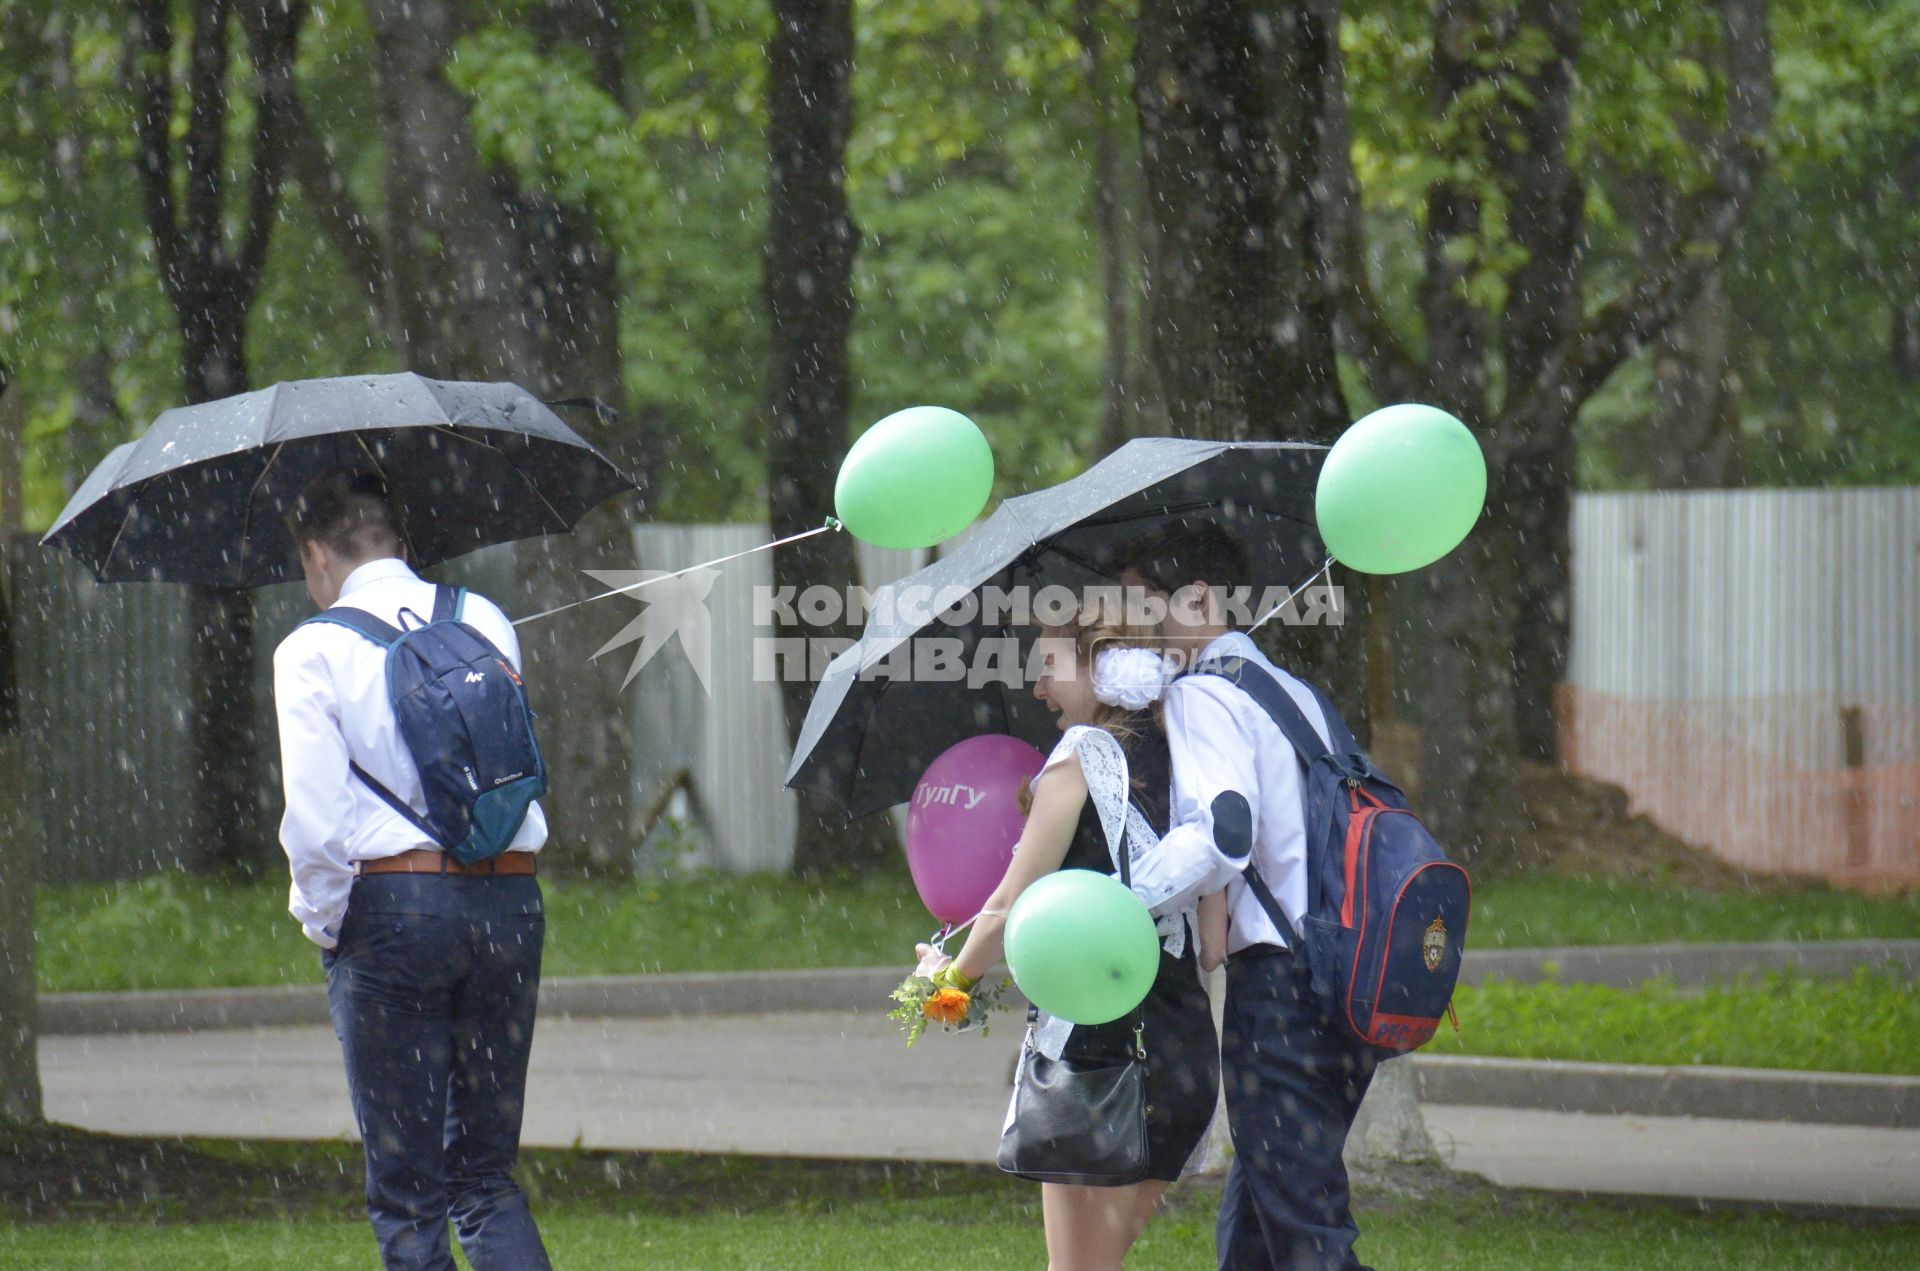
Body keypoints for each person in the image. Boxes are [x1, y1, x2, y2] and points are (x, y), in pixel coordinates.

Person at [273, 469, 553, 1271]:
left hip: (394, 909)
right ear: (398, 543)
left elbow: (317, 827)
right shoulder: (484, 617)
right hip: (510, 896)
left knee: (408, 1190)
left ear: (319, 553)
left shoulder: (311, 649)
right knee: (486, 1175)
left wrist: (328, 925)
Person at [917, 602, 1224, 1271]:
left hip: (1095, 1051)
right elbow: (1213, 943)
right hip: (1181, 1052)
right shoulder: (1195, 766)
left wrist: (947, 985)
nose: (1038, 686)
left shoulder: (1083, 754)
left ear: (1106, 666)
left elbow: (1010, 900)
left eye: (1050, 665)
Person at [1113, 520, 1381, 1271]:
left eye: (1144, 607)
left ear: (1197, 599)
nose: (1136, 630)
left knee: (1304, 1230)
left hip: (1284, 986)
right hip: (1346, 973)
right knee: (1261, 1218)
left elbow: (1224, 832)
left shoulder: (1203, 692)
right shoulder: (1294, 693)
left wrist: (1119, 899)